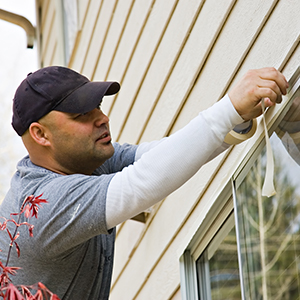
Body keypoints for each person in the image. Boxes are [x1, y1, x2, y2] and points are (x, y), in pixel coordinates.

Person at [0, 66, 288, 299]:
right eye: (82, 114)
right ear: (40, 134)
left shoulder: (85, 163)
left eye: (98, 106)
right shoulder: (41, 207)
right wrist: (228, 108)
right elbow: (141, 182)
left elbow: (161, 157)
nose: (102, 118)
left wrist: (235, 118)